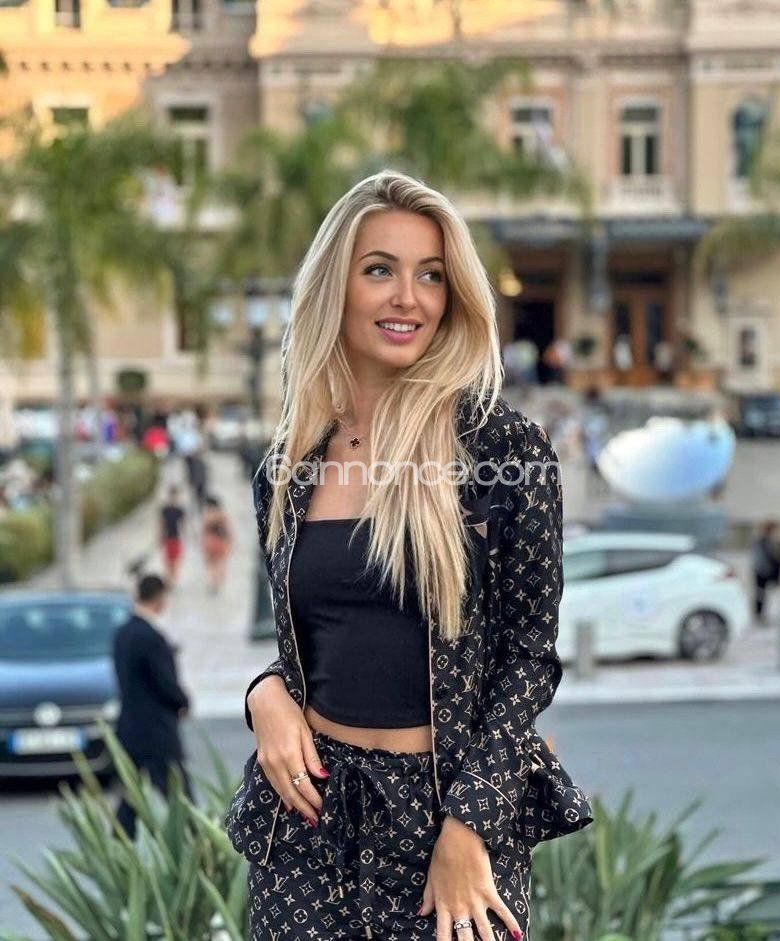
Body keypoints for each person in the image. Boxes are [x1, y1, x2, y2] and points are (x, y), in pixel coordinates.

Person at [226, 170, 593, 941]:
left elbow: (529, 655)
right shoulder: (288, 467)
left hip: (449, 826)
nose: (409, 298)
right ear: (334, 287)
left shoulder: (503, 450)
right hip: (309, 822)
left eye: (430, 275)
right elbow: (316, 641)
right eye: (379, 270)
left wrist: (469, 823)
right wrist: (265, 694)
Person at [112, 574, 192, 839]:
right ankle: (197, 840)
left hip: (129, 727)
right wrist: (183, 702)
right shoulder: (150, 637)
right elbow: (165, 682)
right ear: (159, 598)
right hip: (156, 731)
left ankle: (119, 842)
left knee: (133, 793)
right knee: (178, 790)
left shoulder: (122, 633)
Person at [751, 520, 780, 623]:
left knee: (763, 595)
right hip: (765, 571)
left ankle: (762, 614)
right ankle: (761, 615)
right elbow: (773, 557)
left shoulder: (764, 540)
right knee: (763, 595)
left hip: (763, 570)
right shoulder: (766, 541)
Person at [201, 494, 233, 594]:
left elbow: (204, 531)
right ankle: (217, 582)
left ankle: (214, 581)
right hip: (221, 542)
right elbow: (228, 530)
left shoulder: (208, 516)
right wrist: (229, 541)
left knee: (212, 564)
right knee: (220, 563)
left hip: (210, 542)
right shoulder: (222, 515)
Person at [159, 485, 186, 588]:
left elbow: (183, 525)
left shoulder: (180, 510)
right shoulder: (165, 509)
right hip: (167, 538)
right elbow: (161, 524)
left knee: (175, 561)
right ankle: (169, 579)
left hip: (176, 538)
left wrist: (185, 537)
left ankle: (172, 580)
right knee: (168, 561)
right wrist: (160, 537)